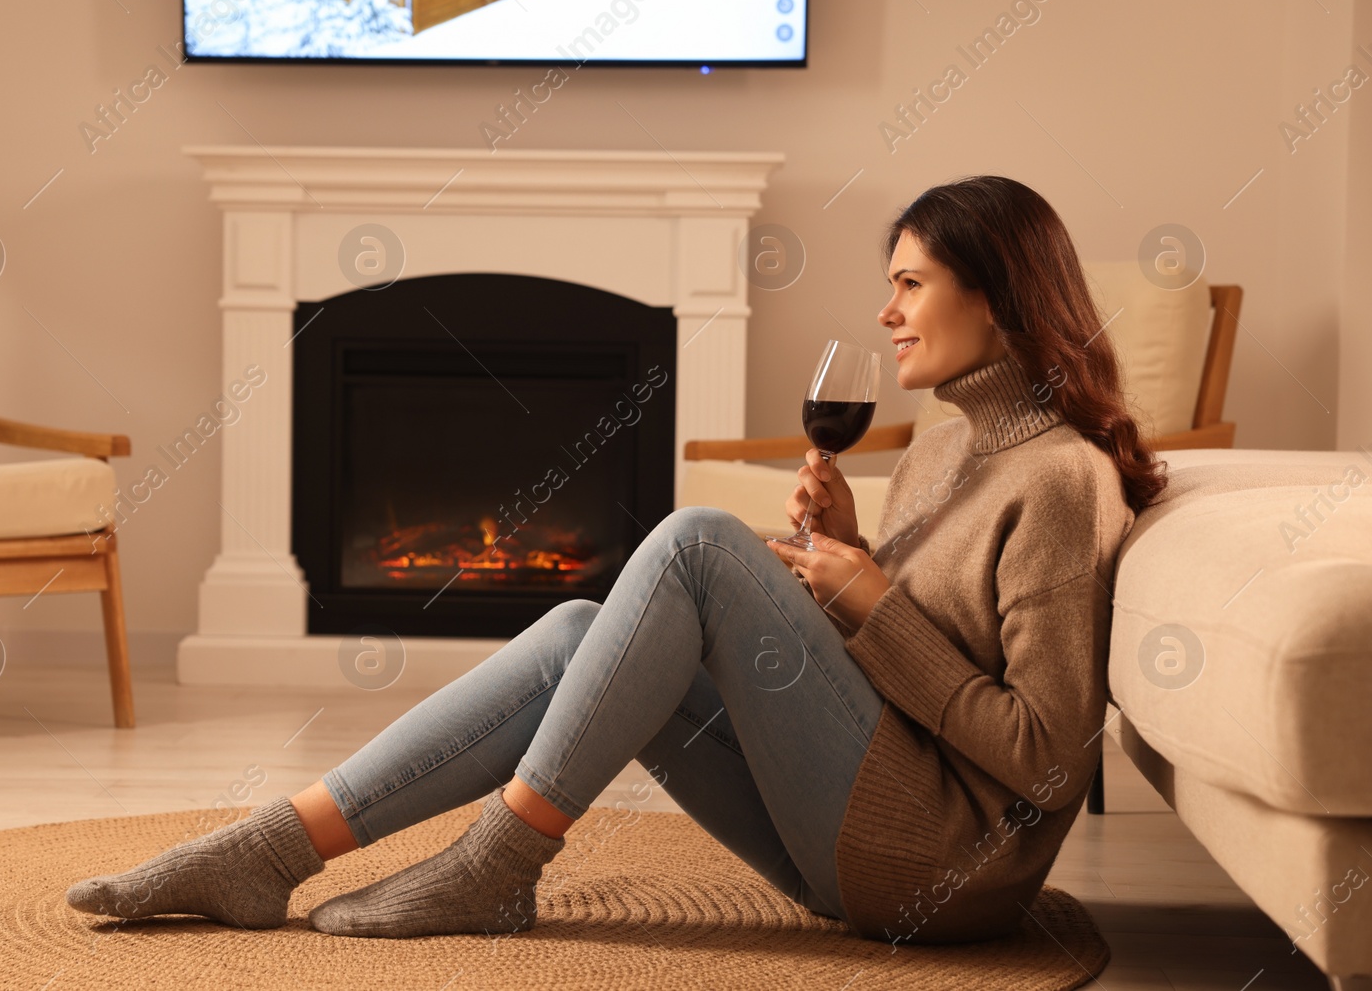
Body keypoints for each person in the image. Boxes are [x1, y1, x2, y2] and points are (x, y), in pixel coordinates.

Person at [66, 175, 1166, 946]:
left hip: (940, 867)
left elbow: (1048, 761)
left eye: (911, 283)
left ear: (1000, 300)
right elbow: (906, 658)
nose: (885, 311)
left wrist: (869, 595)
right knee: (578, 628)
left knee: (695, 542)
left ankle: (499, 863)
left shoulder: (1062, 482)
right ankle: (272, 847)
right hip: (864, 817)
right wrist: (852, 558)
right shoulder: (943, 446)